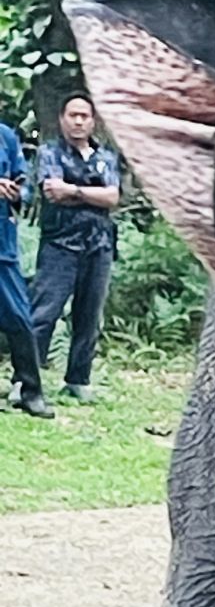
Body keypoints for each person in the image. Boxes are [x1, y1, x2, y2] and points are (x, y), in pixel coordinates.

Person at [28, 91, 120, 402]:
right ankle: (25, 380)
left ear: (93, 121)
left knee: (89, 314)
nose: (79, 121)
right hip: (60, 244)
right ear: (62, 119)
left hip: (100, 244)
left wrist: (74, 189)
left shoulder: (106, 157)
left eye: (85, 116)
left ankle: (78, 380)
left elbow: (113, 198)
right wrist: (92, 192)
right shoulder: (50, 152)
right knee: (44, 312)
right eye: (73, 115)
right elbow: (53, 191)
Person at [0, 122, 52, 418]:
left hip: (3, 246)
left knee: (20, 318)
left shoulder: (6, 137)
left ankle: (30, 390)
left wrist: (15, 192)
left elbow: (27, 186)